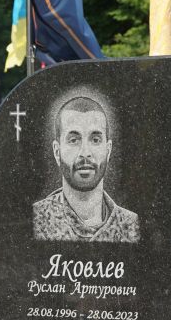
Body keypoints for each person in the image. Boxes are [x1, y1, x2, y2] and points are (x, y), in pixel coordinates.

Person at [32, 96, 138, 243]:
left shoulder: (130, 225)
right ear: (57, 152)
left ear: (108, 151)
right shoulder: (36, 220)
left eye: (95, 140)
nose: (85, 153)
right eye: (74, 140)